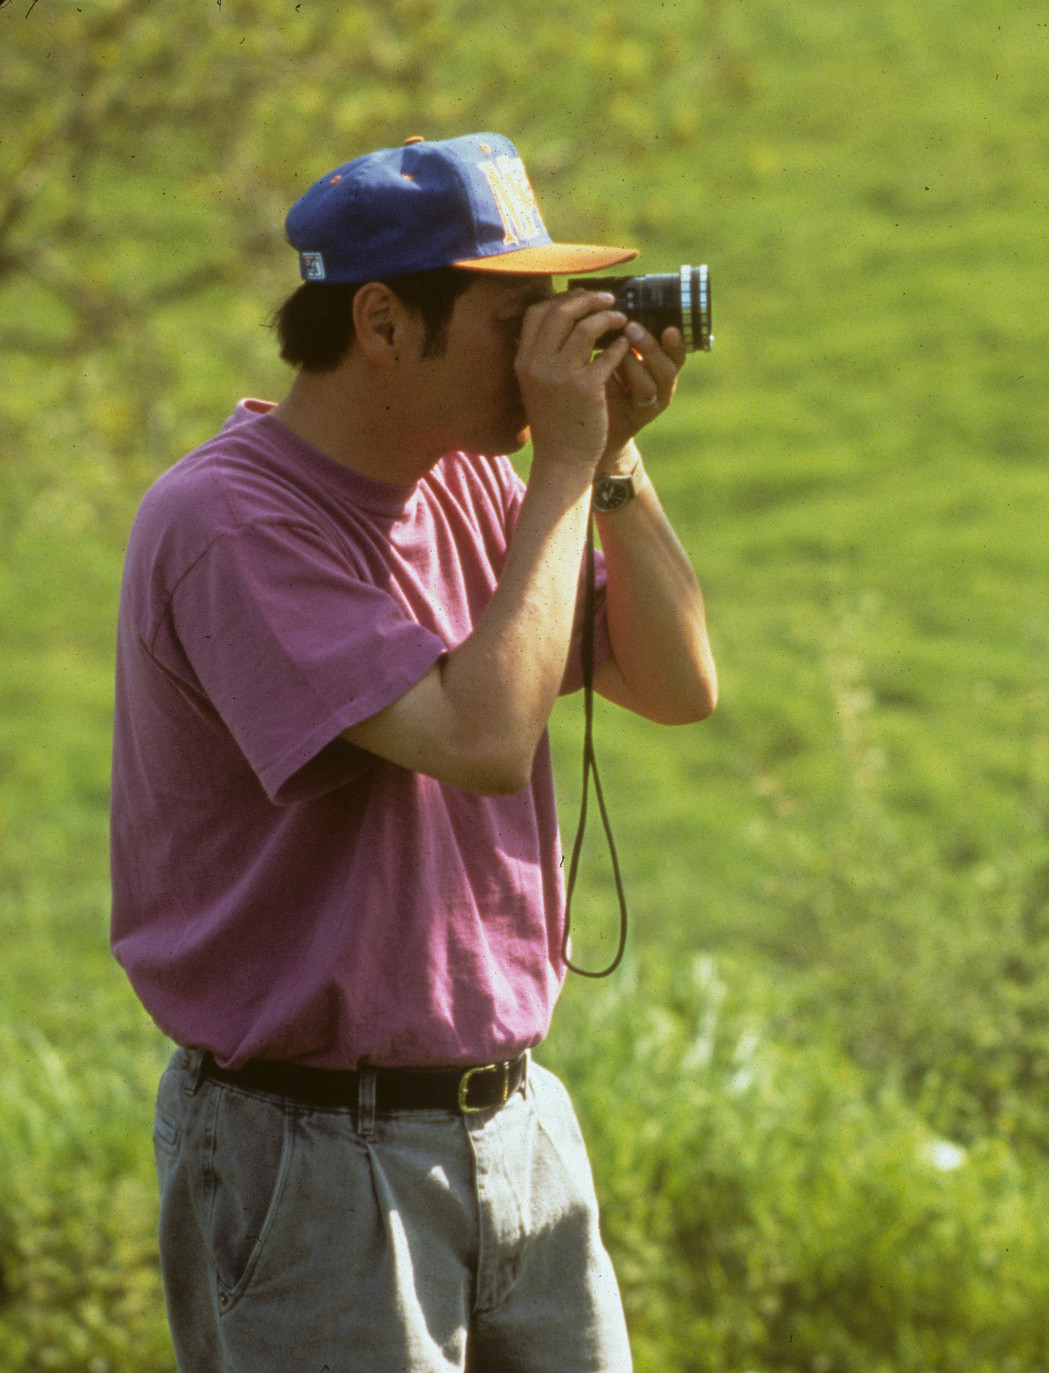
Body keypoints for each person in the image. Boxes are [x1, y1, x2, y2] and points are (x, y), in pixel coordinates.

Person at [111, 132, 716, 1370]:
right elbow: (483, 740)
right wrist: (554, 458)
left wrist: (612, 461)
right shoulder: (228, 519)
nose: (553, 343)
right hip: (313, 1151)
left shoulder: (479, 484)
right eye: (514, 317)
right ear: (382, 322)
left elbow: (676, 681)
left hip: (515, 1114)